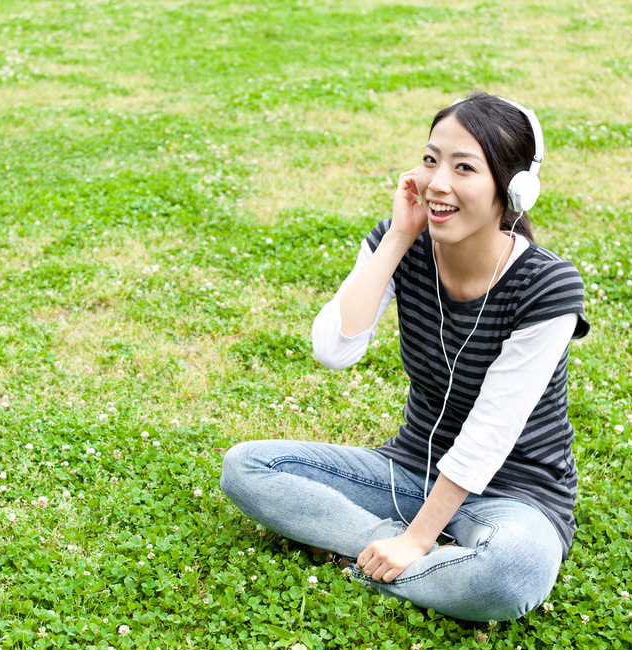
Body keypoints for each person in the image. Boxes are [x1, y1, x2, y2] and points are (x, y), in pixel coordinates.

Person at [220, 92, 589, 622]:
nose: (438, 183)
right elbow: (334, 349)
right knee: (248, 466)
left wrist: (417, 539)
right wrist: (397, 237)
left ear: (514, 190)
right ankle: (388, 553)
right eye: (431, 159)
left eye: (464, 167)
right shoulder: (405, 242)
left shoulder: (547, 287)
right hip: (410, 471)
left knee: (512, 572)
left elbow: (492, 430)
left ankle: (385, 555)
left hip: (516, 495)